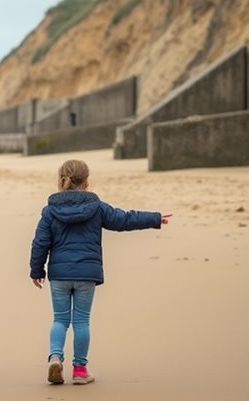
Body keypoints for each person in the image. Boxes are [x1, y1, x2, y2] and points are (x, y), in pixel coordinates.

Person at [30, 159, 170, 385]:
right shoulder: (97, 207)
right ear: (87, 182)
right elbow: (124, 219)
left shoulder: (50, 210)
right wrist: (154, 218)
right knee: (82, 321)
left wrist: (37, 270)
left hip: (60, 275)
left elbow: (40, 243)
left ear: (61, 181)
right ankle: (79, 371)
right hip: (87, 273)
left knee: (60, 319)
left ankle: (55, 357)